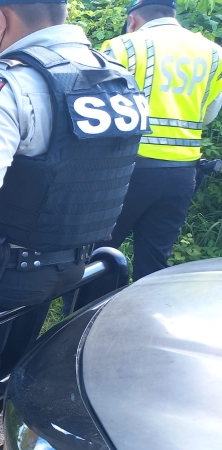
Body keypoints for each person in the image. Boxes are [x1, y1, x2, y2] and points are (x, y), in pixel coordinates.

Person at [0, 0, 149, 446]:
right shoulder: (115, 77)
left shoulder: (10, 82)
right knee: (32, 364)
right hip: (78, 265)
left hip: (0, 273)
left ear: (0, 18)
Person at [98, 0, 222, 281]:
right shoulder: (214, 54)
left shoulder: (122, 46)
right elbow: (208, 115)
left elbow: (97, 111)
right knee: (154, 263)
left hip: (125, 170)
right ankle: (146, 321)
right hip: (182, 174)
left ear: (132, 20)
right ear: (173, 15)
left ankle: (88, 322)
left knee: (98, 257)